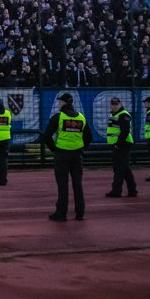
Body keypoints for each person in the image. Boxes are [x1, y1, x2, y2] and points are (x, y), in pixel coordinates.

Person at [40, 92, 91, 221]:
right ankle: (80, 213)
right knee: (77, 184)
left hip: (62, 154)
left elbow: (46, 136)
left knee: (63, 185)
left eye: (60, 102)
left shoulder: (58, 117)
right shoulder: (81, 118)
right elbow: (89, 137)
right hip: (77, 155)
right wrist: (81, 148)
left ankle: (61, 213)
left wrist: (54, 149)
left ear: (63, 103)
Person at [105, 97, 137, 198]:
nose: (114, 106)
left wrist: (118, 144)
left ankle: (116, 190)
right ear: (110, 104)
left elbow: (125, 131)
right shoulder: (114, 114)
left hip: (122, 145)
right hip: (118, 145)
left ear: (120, 104)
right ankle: (132, 190)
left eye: (116, 104)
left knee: (119, 169)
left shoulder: (123, 115)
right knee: (125, 168)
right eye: (113, 104)